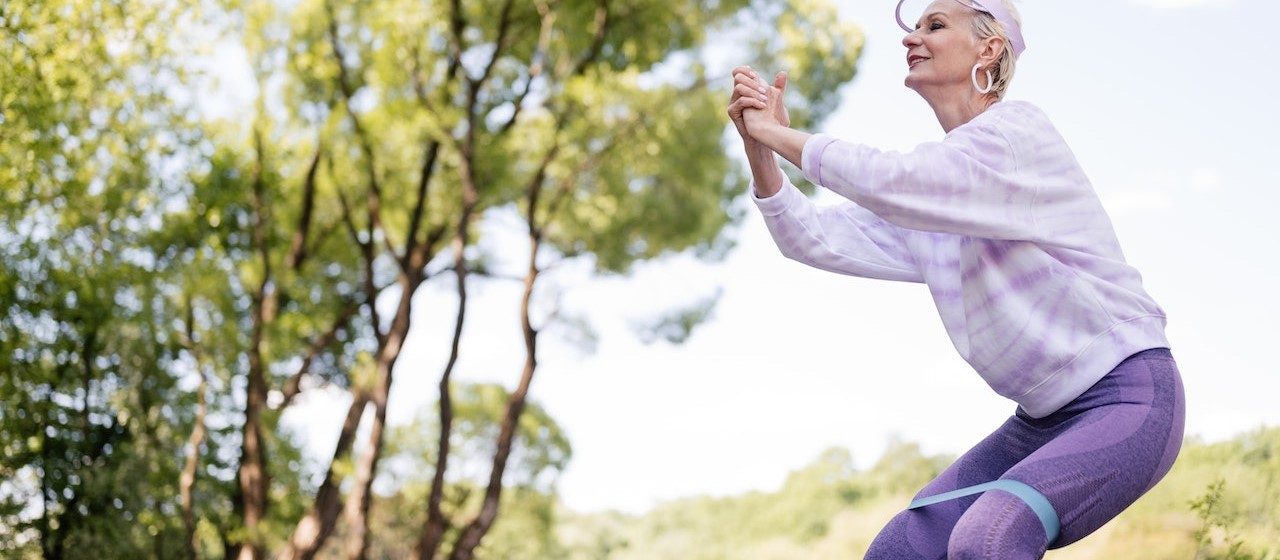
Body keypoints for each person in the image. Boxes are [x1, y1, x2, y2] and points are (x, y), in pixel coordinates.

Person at [725, 0, 1186, 558]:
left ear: (989, 50)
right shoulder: (936, 201)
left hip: (1126, 398)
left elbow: (893, 179)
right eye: (914, 26)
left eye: (934, 26)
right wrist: (761, 152)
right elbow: (813, 238)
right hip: (1039, 423)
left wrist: (780, 135)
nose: (912, 38)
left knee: (985, 539)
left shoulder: (1016, 135)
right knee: (901, 550)